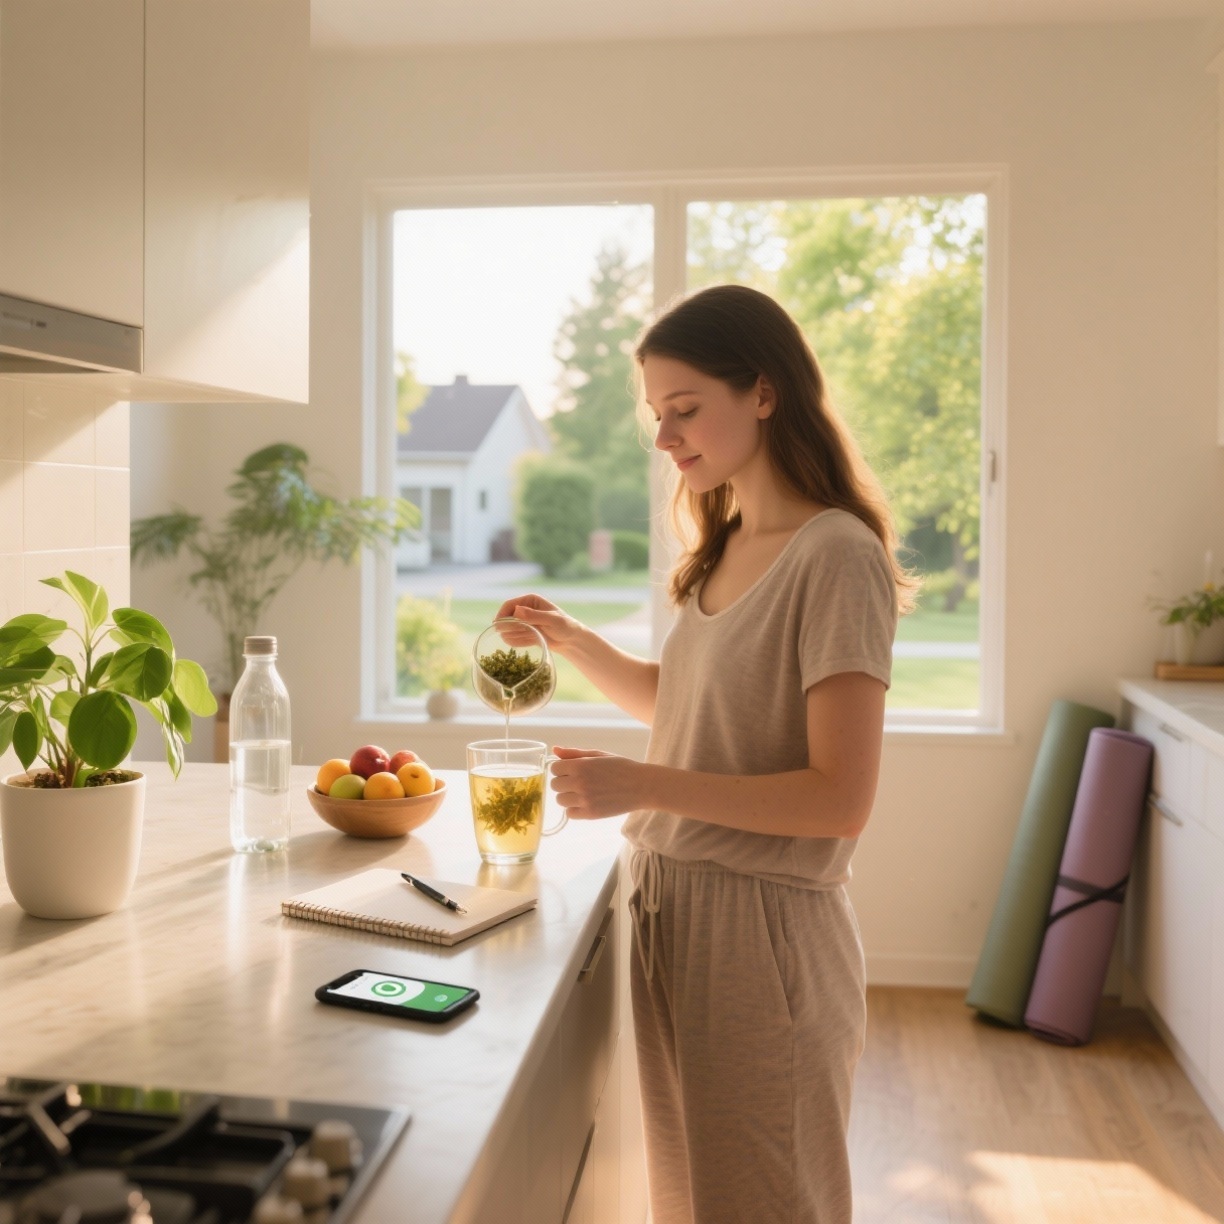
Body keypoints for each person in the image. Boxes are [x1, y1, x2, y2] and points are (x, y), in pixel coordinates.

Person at [494, 283, 914, 1224]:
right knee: (695, 1202)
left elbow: (838, 800)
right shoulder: (725, 544)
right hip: (672, 900)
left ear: (763, 392)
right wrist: (569, 640)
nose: (663, 438)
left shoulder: (834, 555)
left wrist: (640, 783)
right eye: (657, 414)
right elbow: (684, 703)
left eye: (685, 410)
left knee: (767, 1205)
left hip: (764, 932)